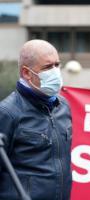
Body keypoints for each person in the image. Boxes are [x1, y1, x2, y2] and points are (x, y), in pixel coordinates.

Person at [0, 39, 72, 200]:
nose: (55, 71)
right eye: (47, 67)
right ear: (26, 73)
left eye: (57, 65)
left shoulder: (63, 106)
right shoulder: (7, 112)